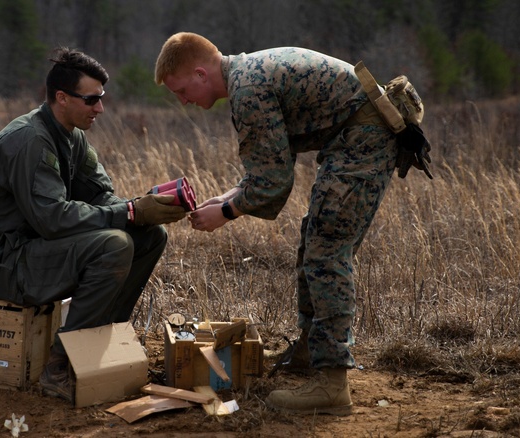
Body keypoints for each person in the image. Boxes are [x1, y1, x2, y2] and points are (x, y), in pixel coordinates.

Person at [155, 32, 431, 416]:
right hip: (355, 136)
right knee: (314, 239)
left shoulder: (247, 89)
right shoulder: (246, 73)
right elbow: (269, 167)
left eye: (182, 90)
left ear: (201, 73)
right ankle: (309, 350)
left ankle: (333, 383)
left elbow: (272, 182)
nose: (183, 101)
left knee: (327, 252)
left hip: (363, 139)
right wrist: (227, 198)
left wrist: (228, 212)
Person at [0, 48, 187, 403]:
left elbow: (102, 196)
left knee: (151, 236)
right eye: (91, 100)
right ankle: (60, 366)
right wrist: (129, 212)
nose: (100, 109)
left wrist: (143, 209)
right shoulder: (30, 140)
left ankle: (100, 343)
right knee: (115, 244)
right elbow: (53, 219)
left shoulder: (71, 136)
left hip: (26, 250)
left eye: (101, 99)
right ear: (61, 98)